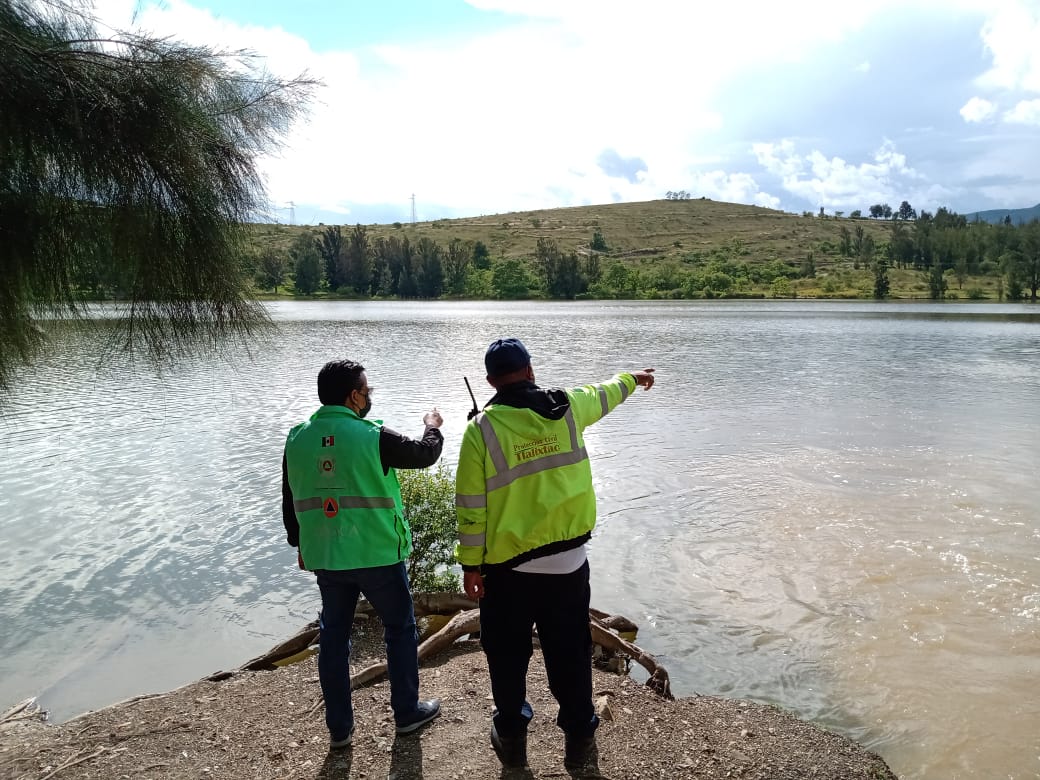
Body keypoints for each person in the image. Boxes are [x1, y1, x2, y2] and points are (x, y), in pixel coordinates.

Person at [454, 338, 655, 770]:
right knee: (569, 655)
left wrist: (471, 566)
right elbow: (604, 393)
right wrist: (634, 379)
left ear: (490, 381)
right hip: (568, 567)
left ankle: (511, 742)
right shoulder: (566, 407)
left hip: (506, 574)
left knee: (507, 659)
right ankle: (580, 743)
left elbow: (470, 506)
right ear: (530, 370)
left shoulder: (480, 430)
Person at [282, 359, 444, 750]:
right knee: (400, 629)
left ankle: (339, 730)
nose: (369, 397)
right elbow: (424, 455)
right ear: (354, 396)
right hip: (377, 554)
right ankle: (407, 713)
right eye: (367, 391)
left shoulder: (297, 437)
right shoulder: (372, 435)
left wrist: (298, 544)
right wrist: (433, 426)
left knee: (333, 637)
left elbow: (290, 496)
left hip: (327, 555)